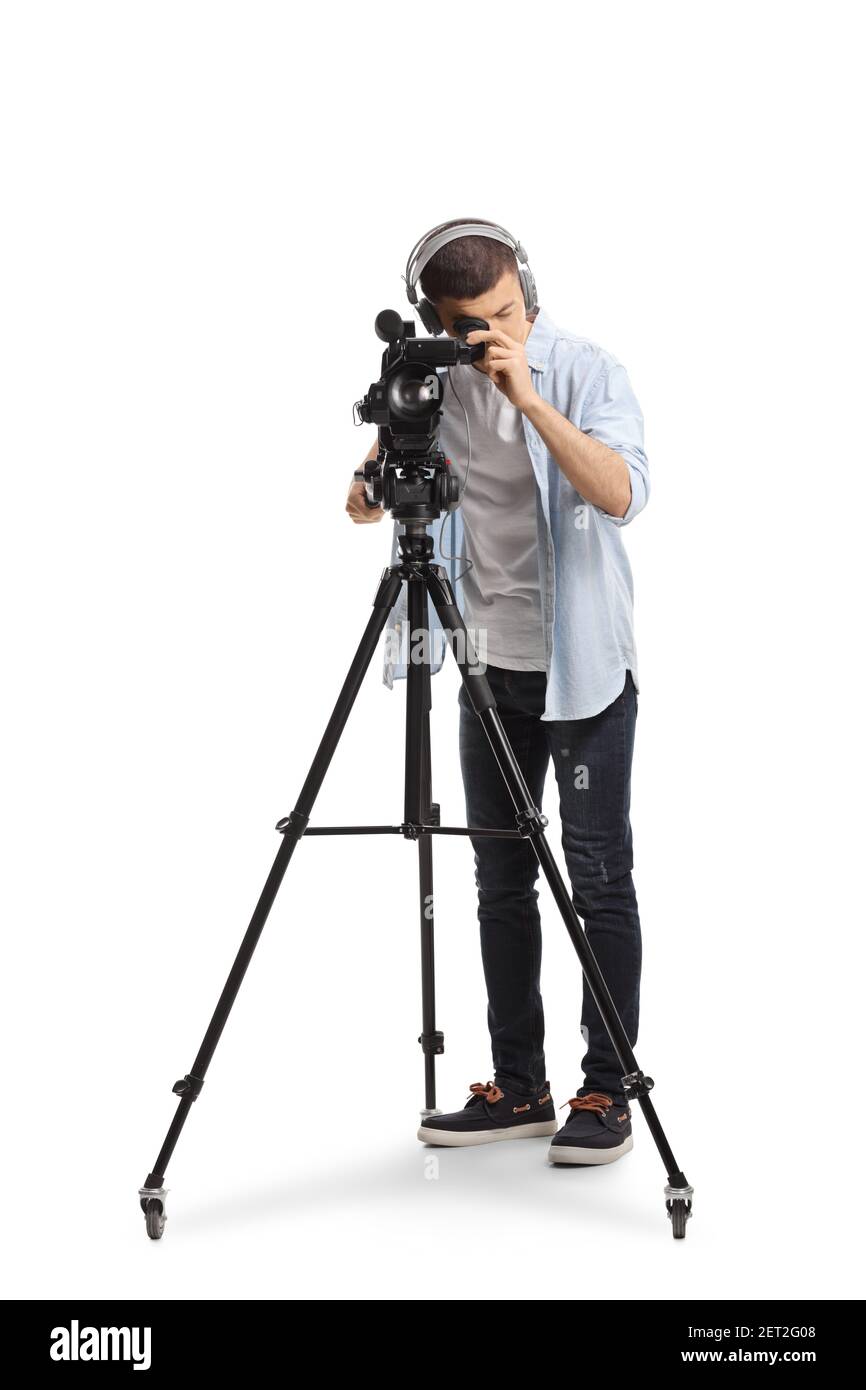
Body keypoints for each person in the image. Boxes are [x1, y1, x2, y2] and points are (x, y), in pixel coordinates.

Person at [345, 219, 649, 1166]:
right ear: (440, 322)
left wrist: (529, 400)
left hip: (583, 672)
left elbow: (624, 493)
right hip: (484, 667)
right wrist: (373, 474)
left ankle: (609, 1088)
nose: (501, 331)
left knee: (597, 883)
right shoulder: (432, 383)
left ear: (527, 286)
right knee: (499, 884)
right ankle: (520, 1085)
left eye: (511, 309)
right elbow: (371, 497)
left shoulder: (585, 368)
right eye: (477, 324)